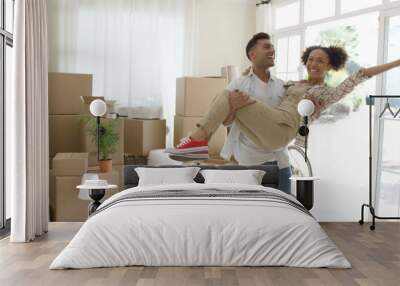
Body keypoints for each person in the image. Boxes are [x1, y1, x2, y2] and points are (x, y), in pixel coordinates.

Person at [169, 40, 400, 178]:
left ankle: (197, 141)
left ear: (329, 66)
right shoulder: (289, 84)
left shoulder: (327, 93)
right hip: (267, 133)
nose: (314, 64)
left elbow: (362, 75)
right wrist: (238, 106)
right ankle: (198, 142)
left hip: (283, 128)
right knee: (230, 95)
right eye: (311, 59)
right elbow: (230, 118)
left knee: (229, 93)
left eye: (320, 61)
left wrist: (397, 62)